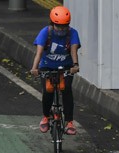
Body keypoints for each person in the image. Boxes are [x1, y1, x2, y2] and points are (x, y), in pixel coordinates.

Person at [30, 5, 81, 136]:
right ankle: (46, 117)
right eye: (59, 26)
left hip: (66, 67)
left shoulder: (72, 33)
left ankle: (69, 121)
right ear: (52, 24)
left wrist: (75, 65)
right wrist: (35, 68)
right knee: (48, 90)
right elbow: (39, 53)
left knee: (66, 89)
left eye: (65, 26)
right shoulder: (45, 33)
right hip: (47, 66)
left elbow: (73, 50)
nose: (61, 30)